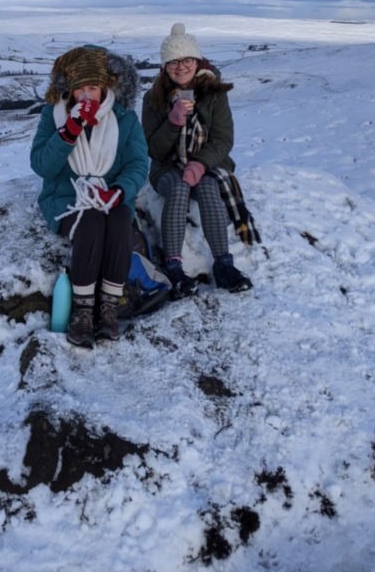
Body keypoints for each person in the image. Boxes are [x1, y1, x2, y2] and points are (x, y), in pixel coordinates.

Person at [31, 45, 148, 348]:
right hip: (67, 198)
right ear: (69, 90)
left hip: (111, 195)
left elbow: (137, 164)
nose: (86, 95)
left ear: (105, 88)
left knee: (120, 220)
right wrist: (69, 131)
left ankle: (109, 307)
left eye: (93, 87)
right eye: (80, 88)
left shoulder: (125, 118)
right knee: (91, 221)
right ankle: (82, 311)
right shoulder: (53, 116)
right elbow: (42, 165)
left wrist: (119, 191)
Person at [142, 23, 259, 298]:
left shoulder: (214, 93)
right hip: (167, 166)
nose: (181, 67)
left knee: (207, 187)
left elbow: (223, 139)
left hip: (209, 164)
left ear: (197, 61)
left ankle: (224, 266)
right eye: (173, 62)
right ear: (165, 66)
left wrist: (200, 164)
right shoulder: (153, 98)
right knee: (178, 187)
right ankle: (173, 268)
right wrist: (173, 122)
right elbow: (154, 150)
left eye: (187, 60)